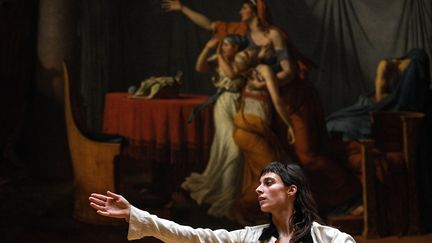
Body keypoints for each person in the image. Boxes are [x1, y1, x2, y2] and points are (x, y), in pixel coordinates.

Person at [164, 0, 362, 216]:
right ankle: (309, 205)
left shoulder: (273, 35)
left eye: (245, 7)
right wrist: (182, 8)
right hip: (267, 105)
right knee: (285, 156)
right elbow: (210, 25)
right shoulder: (242, 32)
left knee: (307, 156)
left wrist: (265, 82)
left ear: (256, 11)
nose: (240, 11)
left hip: (292, 100)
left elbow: (289, 71)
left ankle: (349, 195)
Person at [89, 161, 356, 242]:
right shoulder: (251, 238)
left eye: (269, 182)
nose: (258, 190)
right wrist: (134, 214)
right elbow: (191, 236)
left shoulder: (333, 240)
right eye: (259, 183)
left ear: (291, 190)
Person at [181, 34, 250, 218]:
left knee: (239, 147)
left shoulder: (242, 60)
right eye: (224, 44)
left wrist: (219, 55)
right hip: (224, 104)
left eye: (227, 45)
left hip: (240, 104)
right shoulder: (219, 59)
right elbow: (199, 66)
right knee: (232, 147)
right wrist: (207, 49)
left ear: (236, 48)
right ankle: (224, 196)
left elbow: (232, 74)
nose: (224, 47)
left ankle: (231, 193)